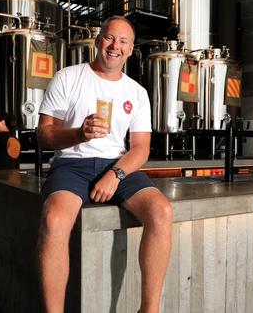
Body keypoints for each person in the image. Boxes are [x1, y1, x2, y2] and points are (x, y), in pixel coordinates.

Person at [36, 16, 172, 313]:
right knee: (54, 220)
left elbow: (140, 148)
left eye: (123, 41)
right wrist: (77, 133)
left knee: (161, 211)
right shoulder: (68, 77)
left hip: (117, 163)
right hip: (72, 163)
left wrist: (116, 173)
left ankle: (149, 310)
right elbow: (44, 135)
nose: (115, 46)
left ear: (131, 49)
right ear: (98, 41)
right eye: (110, 38)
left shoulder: (137, 92)